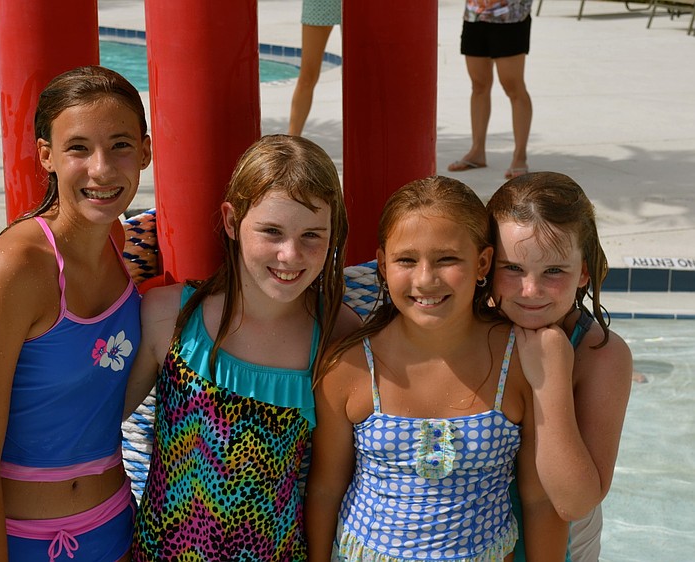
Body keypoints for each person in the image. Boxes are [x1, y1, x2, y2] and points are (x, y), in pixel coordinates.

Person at [0, 65, 151, 561]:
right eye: (78, 147)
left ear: (145, 149)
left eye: (120, 144)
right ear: (47, 157)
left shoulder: (121, 244)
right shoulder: (18, 266)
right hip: (12, 537)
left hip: (111, 527)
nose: (102, 168)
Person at [306, 176, 567, 561]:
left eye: (447, 259)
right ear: (381, 264)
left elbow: (540, 499)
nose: (426, 279)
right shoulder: (350, 368)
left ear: (483, 262)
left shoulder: (520, 360)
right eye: (406, 260)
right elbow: (326, 489)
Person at [124, 134, 360, 561]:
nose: (290, 255)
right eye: (271, 231)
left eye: (312, 235)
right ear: (232, 222)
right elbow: (94, 420)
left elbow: (335, 478)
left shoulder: (335, 332)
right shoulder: (171, 317)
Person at [487, 171, 633, 562]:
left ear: (583, 271)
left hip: (567, 548)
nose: (530, 291)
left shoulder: (600, 353)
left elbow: (574, 502)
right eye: (512, 269)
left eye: (554, 271)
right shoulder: (471, 331)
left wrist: (549, 382)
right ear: (486, 263)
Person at [447, 0, 533, 180]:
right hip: (474, 15)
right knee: (478, 86)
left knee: (513, 87)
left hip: (510, 17)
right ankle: (477, 152)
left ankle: (520, 156)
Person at [288, 0, 341, 136]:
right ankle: (291, 145)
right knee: (307, 77)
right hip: (320, 3)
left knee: (355, 77)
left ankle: (360, 147)